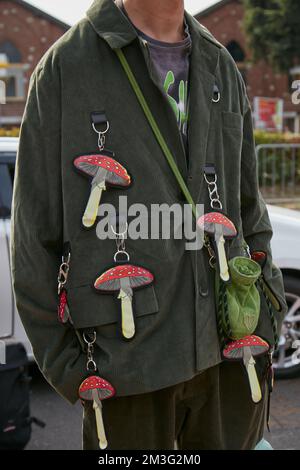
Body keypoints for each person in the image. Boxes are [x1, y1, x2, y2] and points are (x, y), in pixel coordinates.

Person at [11, 0, 287, 450]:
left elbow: (250, 211)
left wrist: (268, 314)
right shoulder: (66, 67)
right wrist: (69, 366)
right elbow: (32, 237)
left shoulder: (220, 63)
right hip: (125, 369)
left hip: (233, 357)